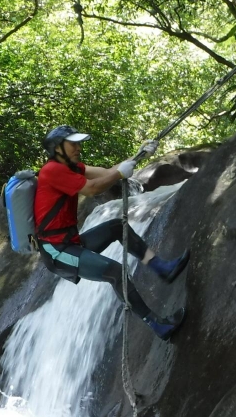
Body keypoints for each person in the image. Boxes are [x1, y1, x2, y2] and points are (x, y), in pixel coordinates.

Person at [34, 125, 189, 340]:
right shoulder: (52, 171)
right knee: (115, 272)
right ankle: (157, 324)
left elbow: (109, 173)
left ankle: (162, 268)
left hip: (72, 242)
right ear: (57, 148)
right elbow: (92, 189)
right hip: (58, 252)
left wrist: (140, 153)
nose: (78, 147)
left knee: (117, 226)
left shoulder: (73, 167)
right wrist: (118, 173)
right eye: (73, 144)